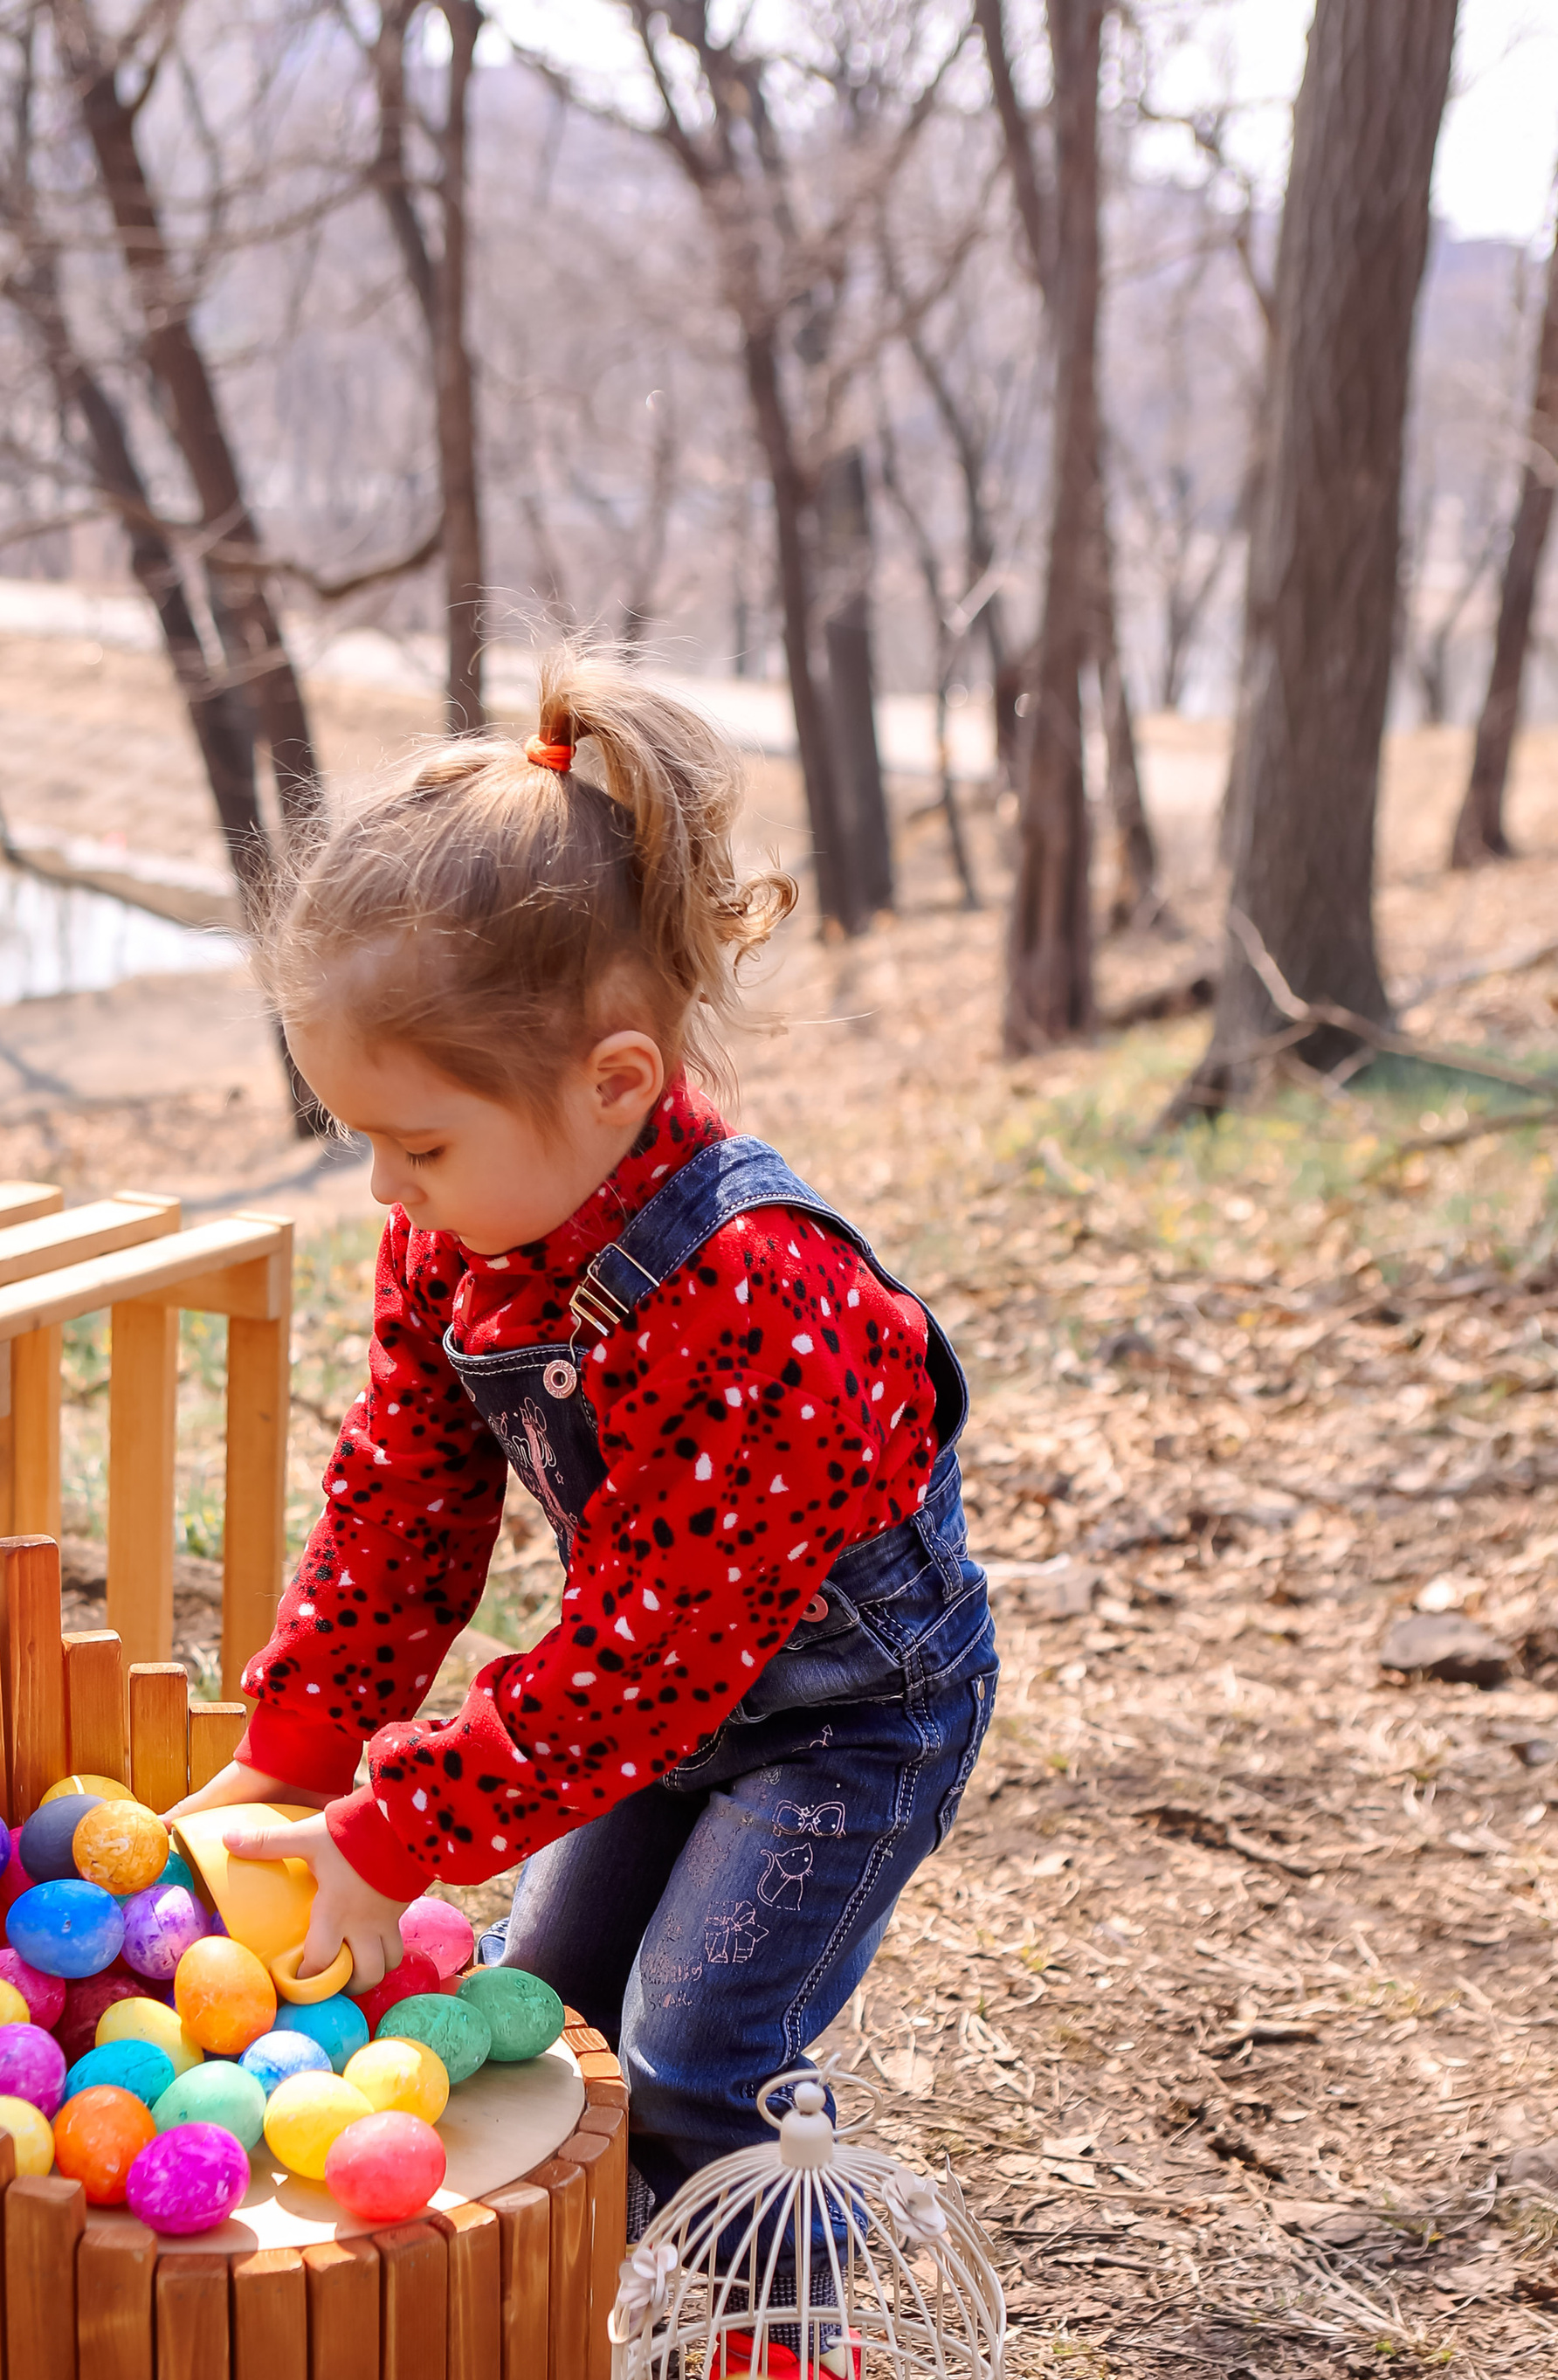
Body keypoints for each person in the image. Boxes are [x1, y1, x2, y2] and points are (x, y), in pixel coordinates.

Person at [173, 652, 997, 2234]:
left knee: (697, 2060)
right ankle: (579, 2342)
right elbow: (401, 1501)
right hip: (656, 1704)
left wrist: (399, 1828)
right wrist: (297, 1752)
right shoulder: (462, 1236)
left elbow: (655, 1660)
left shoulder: (755, 1303)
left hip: (846, 1724)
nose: (382, 1189)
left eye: (415, 1141)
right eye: (360, 1138)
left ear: (616, 1085)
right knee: (542, 2020)